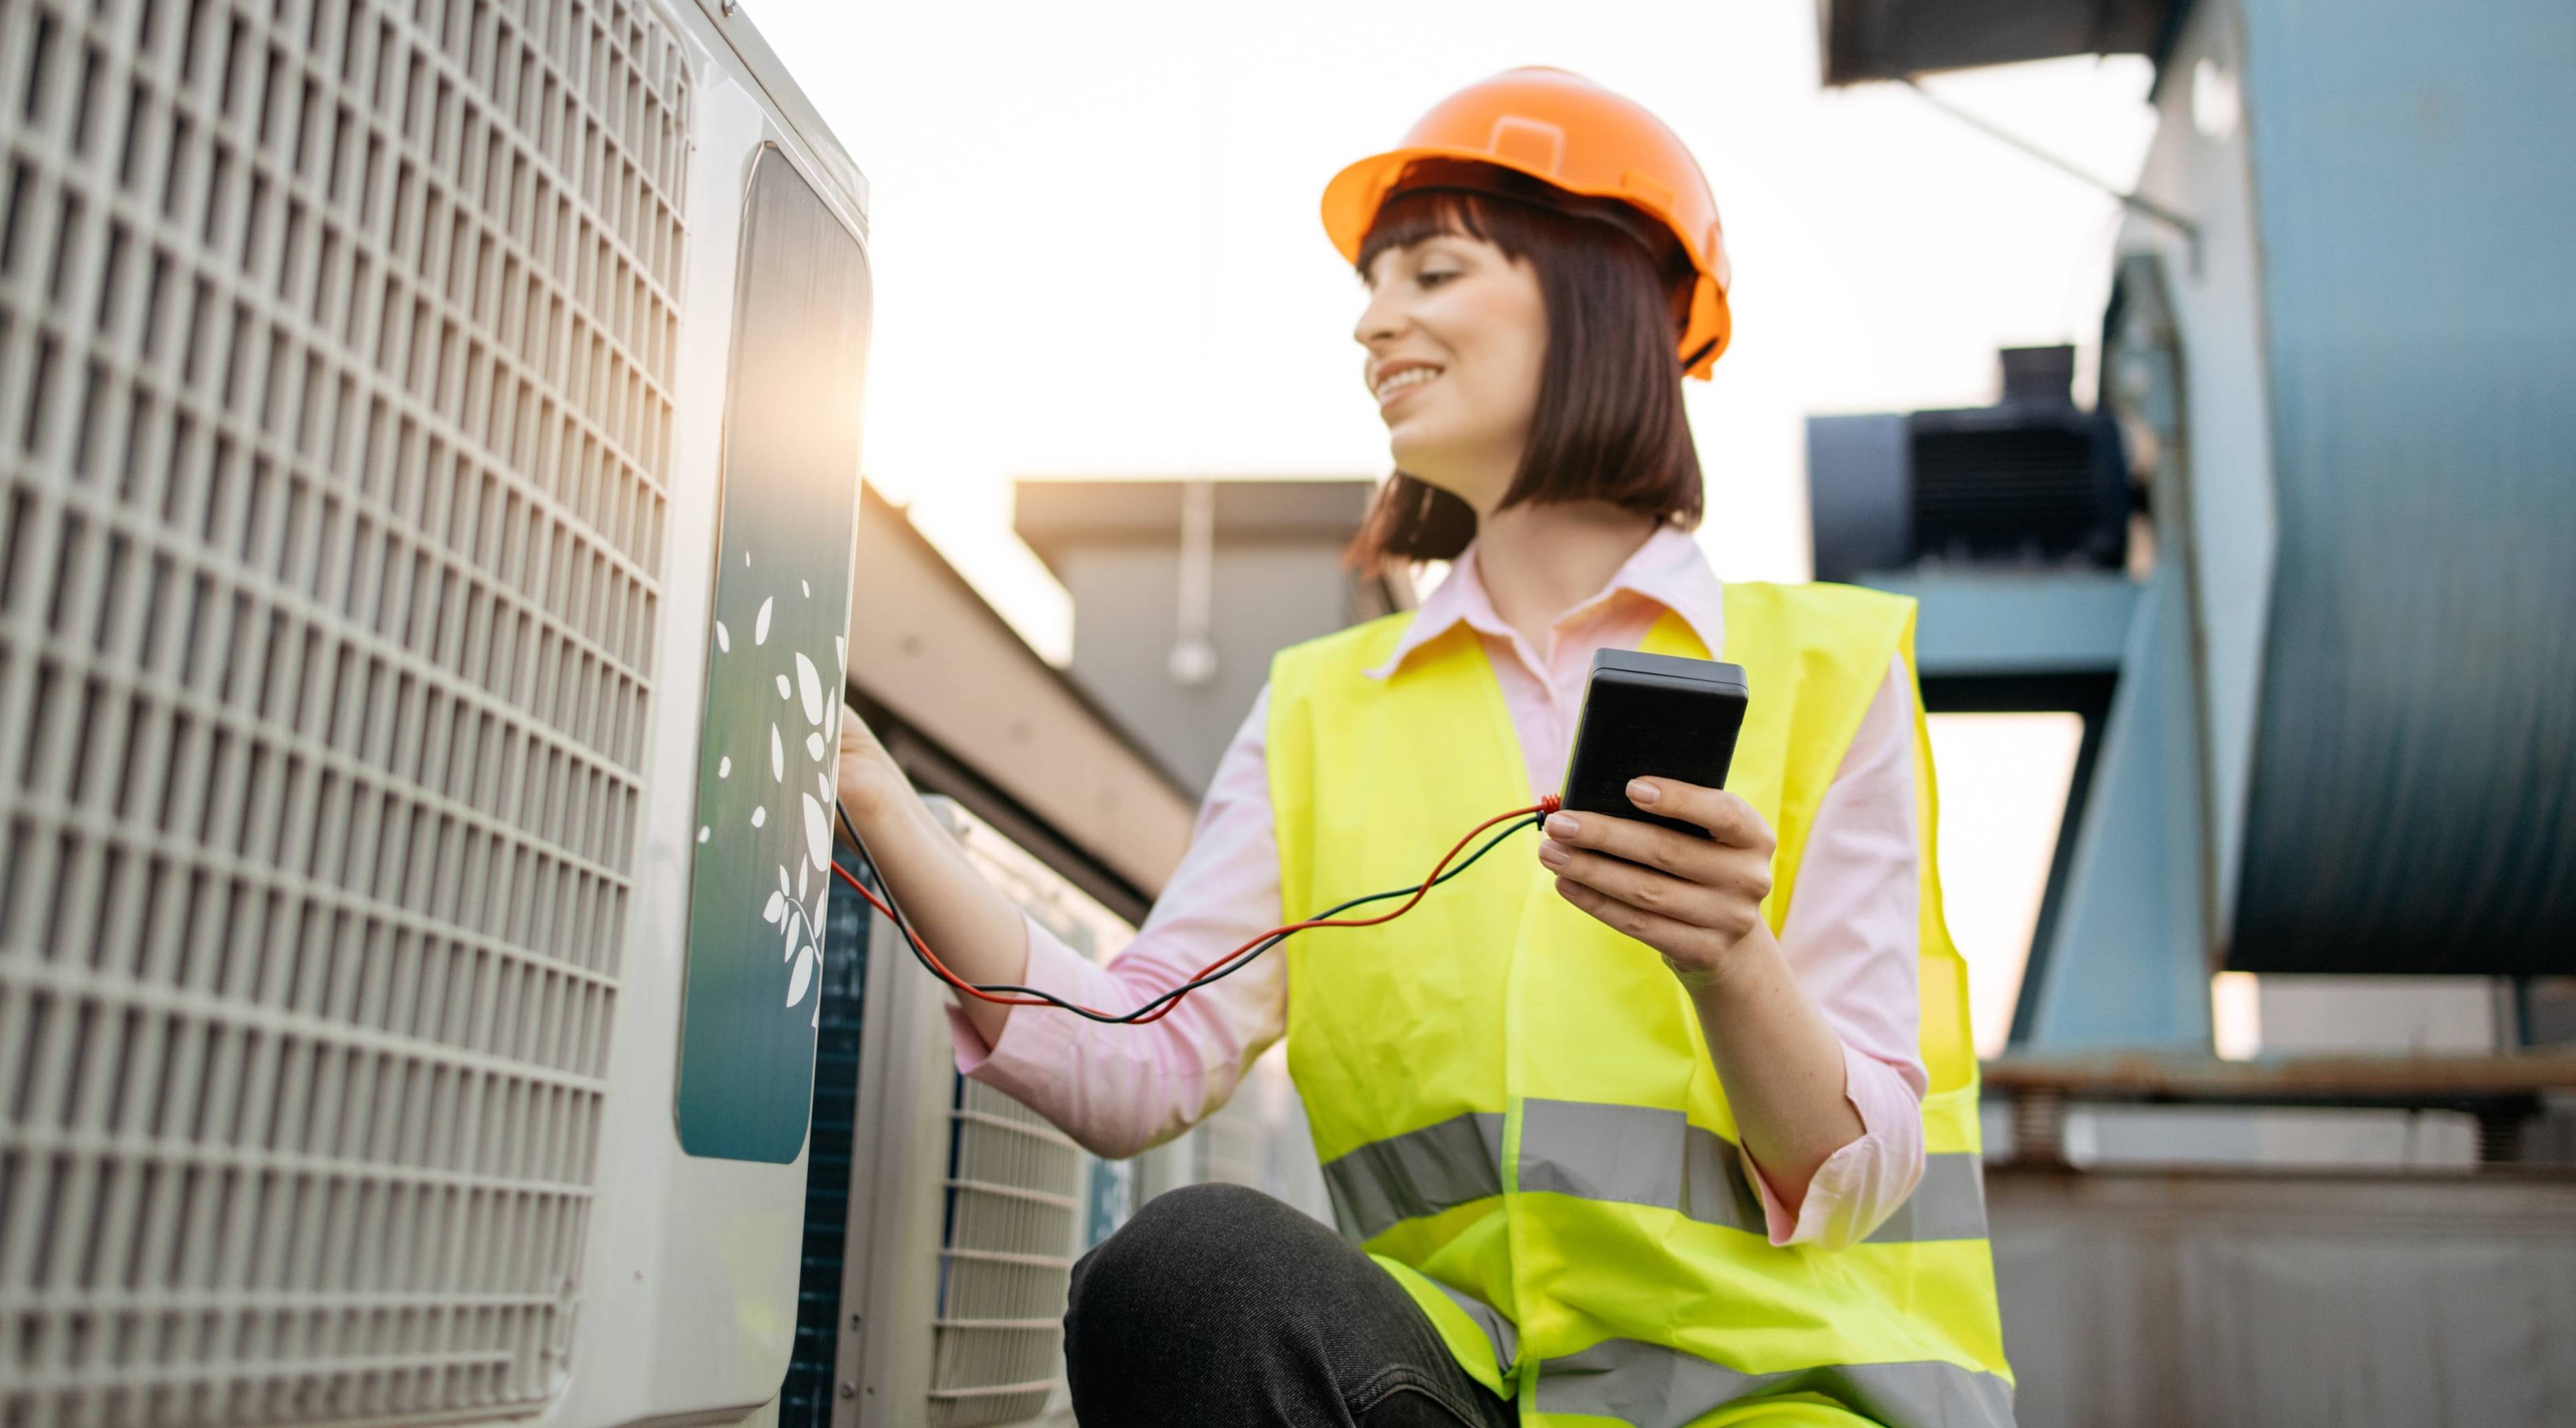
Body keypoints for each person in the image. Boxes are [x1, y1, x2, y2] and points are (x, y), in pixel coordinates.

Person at [835, 68, 2011, 1428]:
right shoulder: (1321, 710)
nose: (1373, 319)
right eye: (1371, 285)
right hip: (1449, 1393)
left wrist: (1728, 958)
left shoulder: (1827, 668)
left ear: (1601, 291)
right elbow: (1137, 1053)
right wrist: (881, 798)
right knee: (1187, 1264)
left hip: (1778, 1396)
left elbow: (1855, 1168)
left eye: (1432, 272)